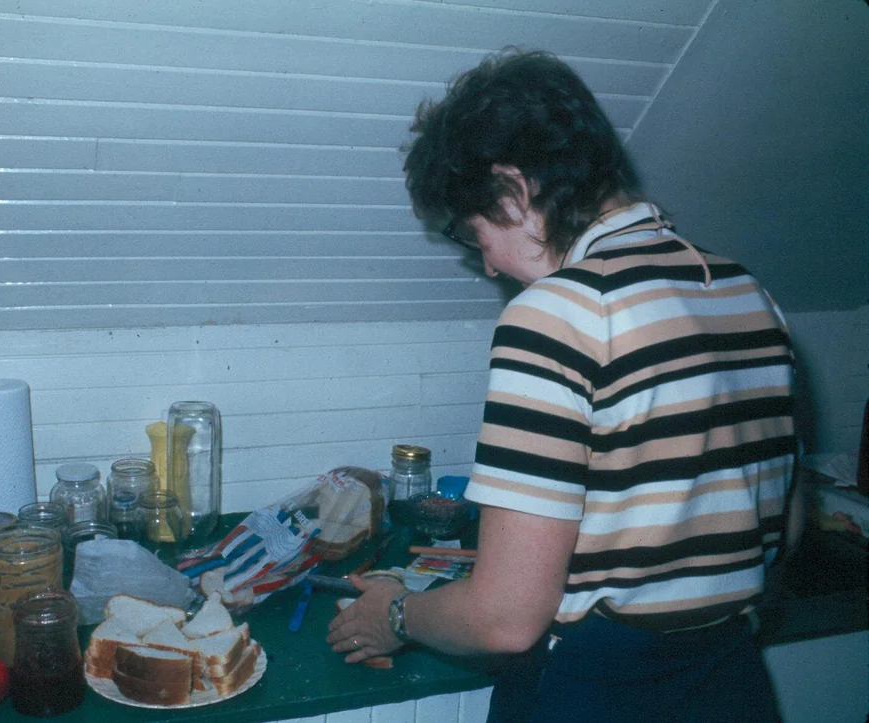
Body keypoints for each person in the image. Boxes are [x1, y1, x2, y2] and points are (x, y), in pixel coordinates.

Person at [326, 49, 800, 723]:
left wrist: (395, 613)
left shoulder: (556, 314)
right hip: (732, 684)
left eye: (474, 234)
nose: (486, 262)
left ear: (514, 190)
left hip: (604, 695)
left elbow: (505, 619)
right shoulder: (745, 292)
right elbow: (783, 530)